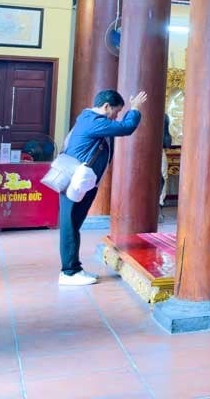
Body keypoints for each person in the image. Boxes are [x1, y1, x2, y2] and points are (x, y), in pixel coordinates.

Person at [57, 89, 146, 285]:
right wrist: (136, 109)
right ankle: (69, 272)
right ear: (106, 106)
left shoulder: (90, 119)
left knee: (73, 225)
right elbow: (126, 127)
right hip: (75, 181)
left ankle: (73, 269)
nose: (115, 117)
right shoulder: (94, 121)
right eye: (116, 112)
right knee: (70, 226)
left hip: (77, 181)